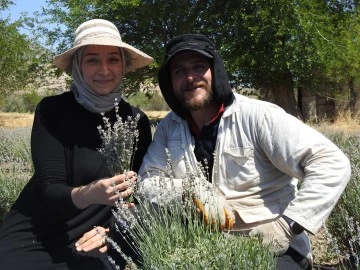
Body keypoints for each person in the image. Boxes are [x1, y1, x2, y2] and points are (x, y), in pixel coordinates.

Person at [138, 34, 351, 269]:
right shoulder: (169, 127)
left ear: (215, 71)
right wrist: (189, 189)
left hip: (275, 246)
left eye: (199, 66)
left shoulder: (258, 116)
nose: (190, 77)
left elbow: (331, 163)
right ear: (169, 81)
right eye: (179, 70)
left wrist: (287, 225)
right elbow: (147, 182)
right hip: (204, 245)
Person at [0, 19, 153, 270]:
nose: (104, 69)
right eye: (92, 60)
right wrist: (90, 193)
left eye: (113, 59)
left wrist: (115, 232)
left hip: (97, 235)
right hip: (37, 231)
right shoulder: (53, 110)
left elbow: (140, 196)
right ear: (77, 66)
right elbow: (49, 189)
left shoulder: (136, 121)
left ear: (123, 65)